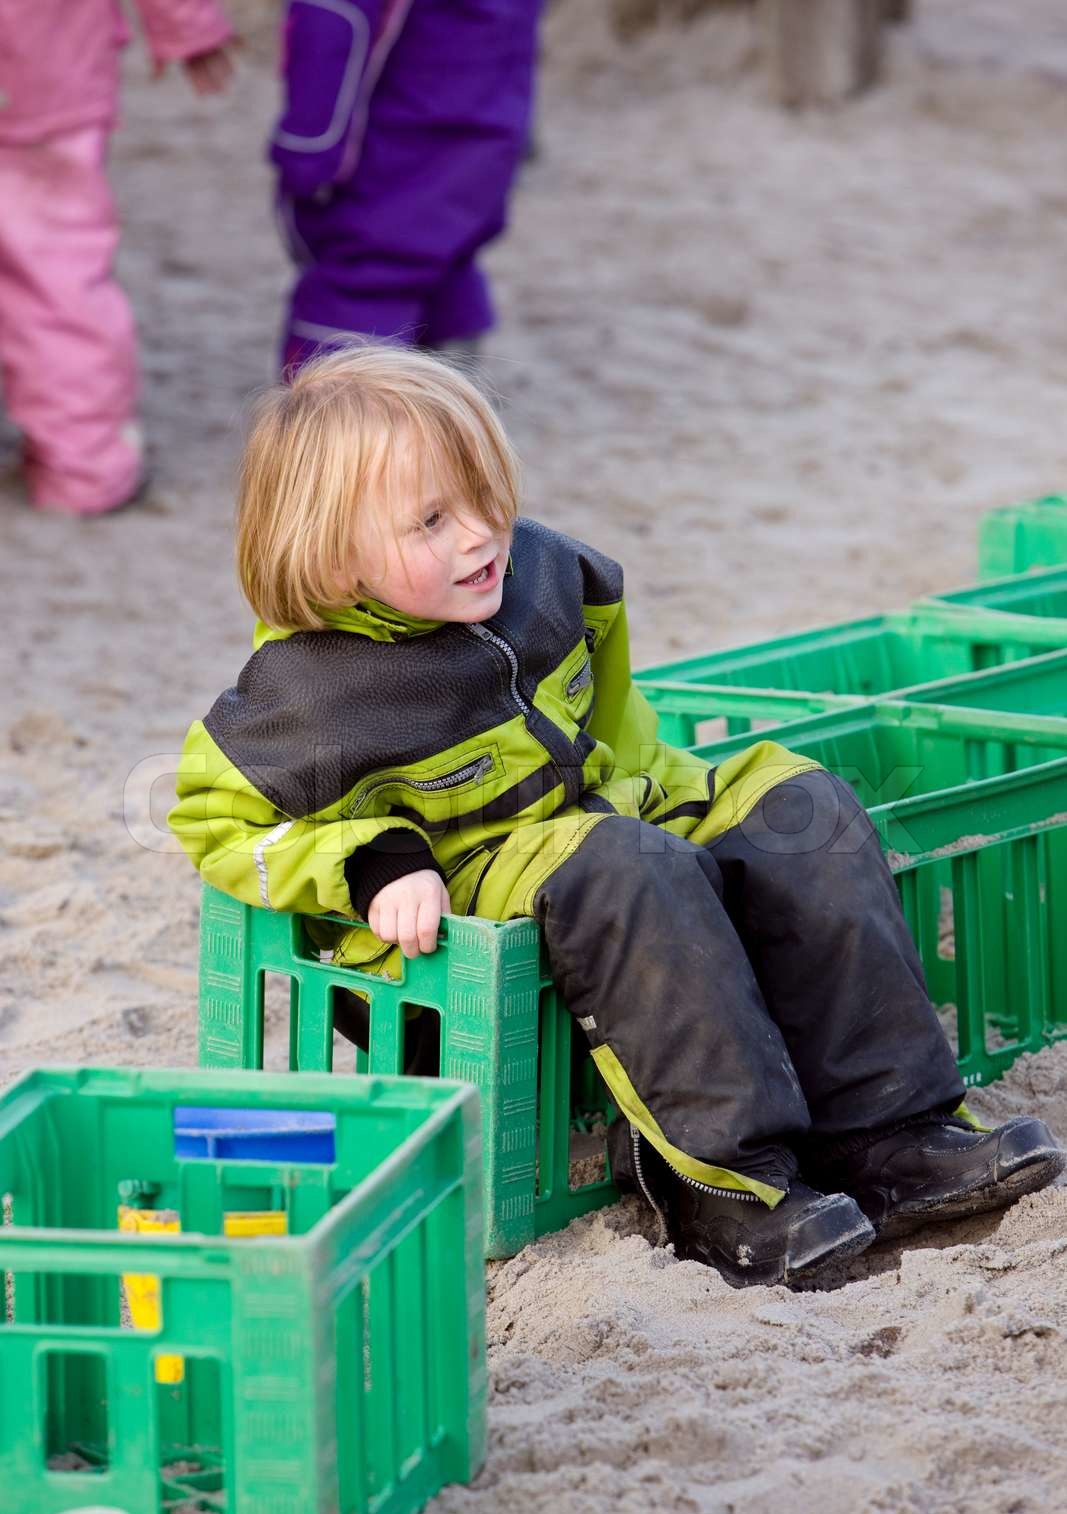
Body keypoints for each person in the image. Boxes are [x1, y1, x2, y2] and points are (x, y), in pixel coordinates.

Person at [170, 343, 1065, 1288]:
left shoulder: (550, 580)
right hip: (470, 903)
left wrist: (686, 809)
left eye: (485, 495)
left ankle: (890, 1133)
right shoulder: (297, 701)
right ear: (328, 550)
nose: (480, 535)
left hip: (603, 819)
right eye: (431, 520)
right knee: (624, 863)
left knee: (798, 804)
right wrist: (371, 863)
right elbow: (214, 826)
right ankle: (727, 1186)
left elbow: (619, 735)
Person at [0, 0, 235, 516]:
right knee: (53, 284)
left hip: (41, 73)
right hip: (40, 72)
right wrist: (189, 25)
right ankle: (85, 470)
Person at [269, 0, 542, 373]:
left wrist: (307, 149)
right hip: (486, 136)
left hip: (396, 150)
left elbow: (334, 20)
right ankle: (453, 397)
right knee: (446, 263)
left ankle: (345, 419)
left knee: (365, 275)